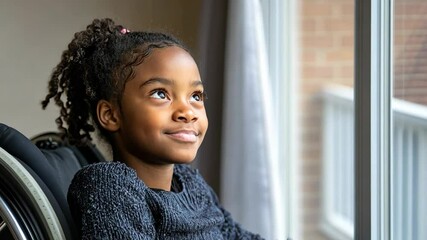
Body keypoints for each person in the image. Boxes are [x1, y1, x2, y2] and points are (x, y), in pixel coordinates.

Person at [42, 18, 264, 239]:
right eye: (160, 94)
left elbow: (236, 235)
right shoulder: (110, 188)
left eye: (195, 96)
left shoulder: (191, 183)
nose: (187, 112)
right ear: (110, 115)